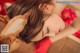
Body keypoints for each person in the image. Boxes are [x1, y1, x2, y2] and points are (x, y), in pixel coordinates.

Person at [0, 0, 80, 53]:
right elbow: (75, 26)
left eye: (47, 31)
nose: (53, 34)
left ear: (45, 7)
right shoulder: (46, 10)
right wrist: (50, 40)